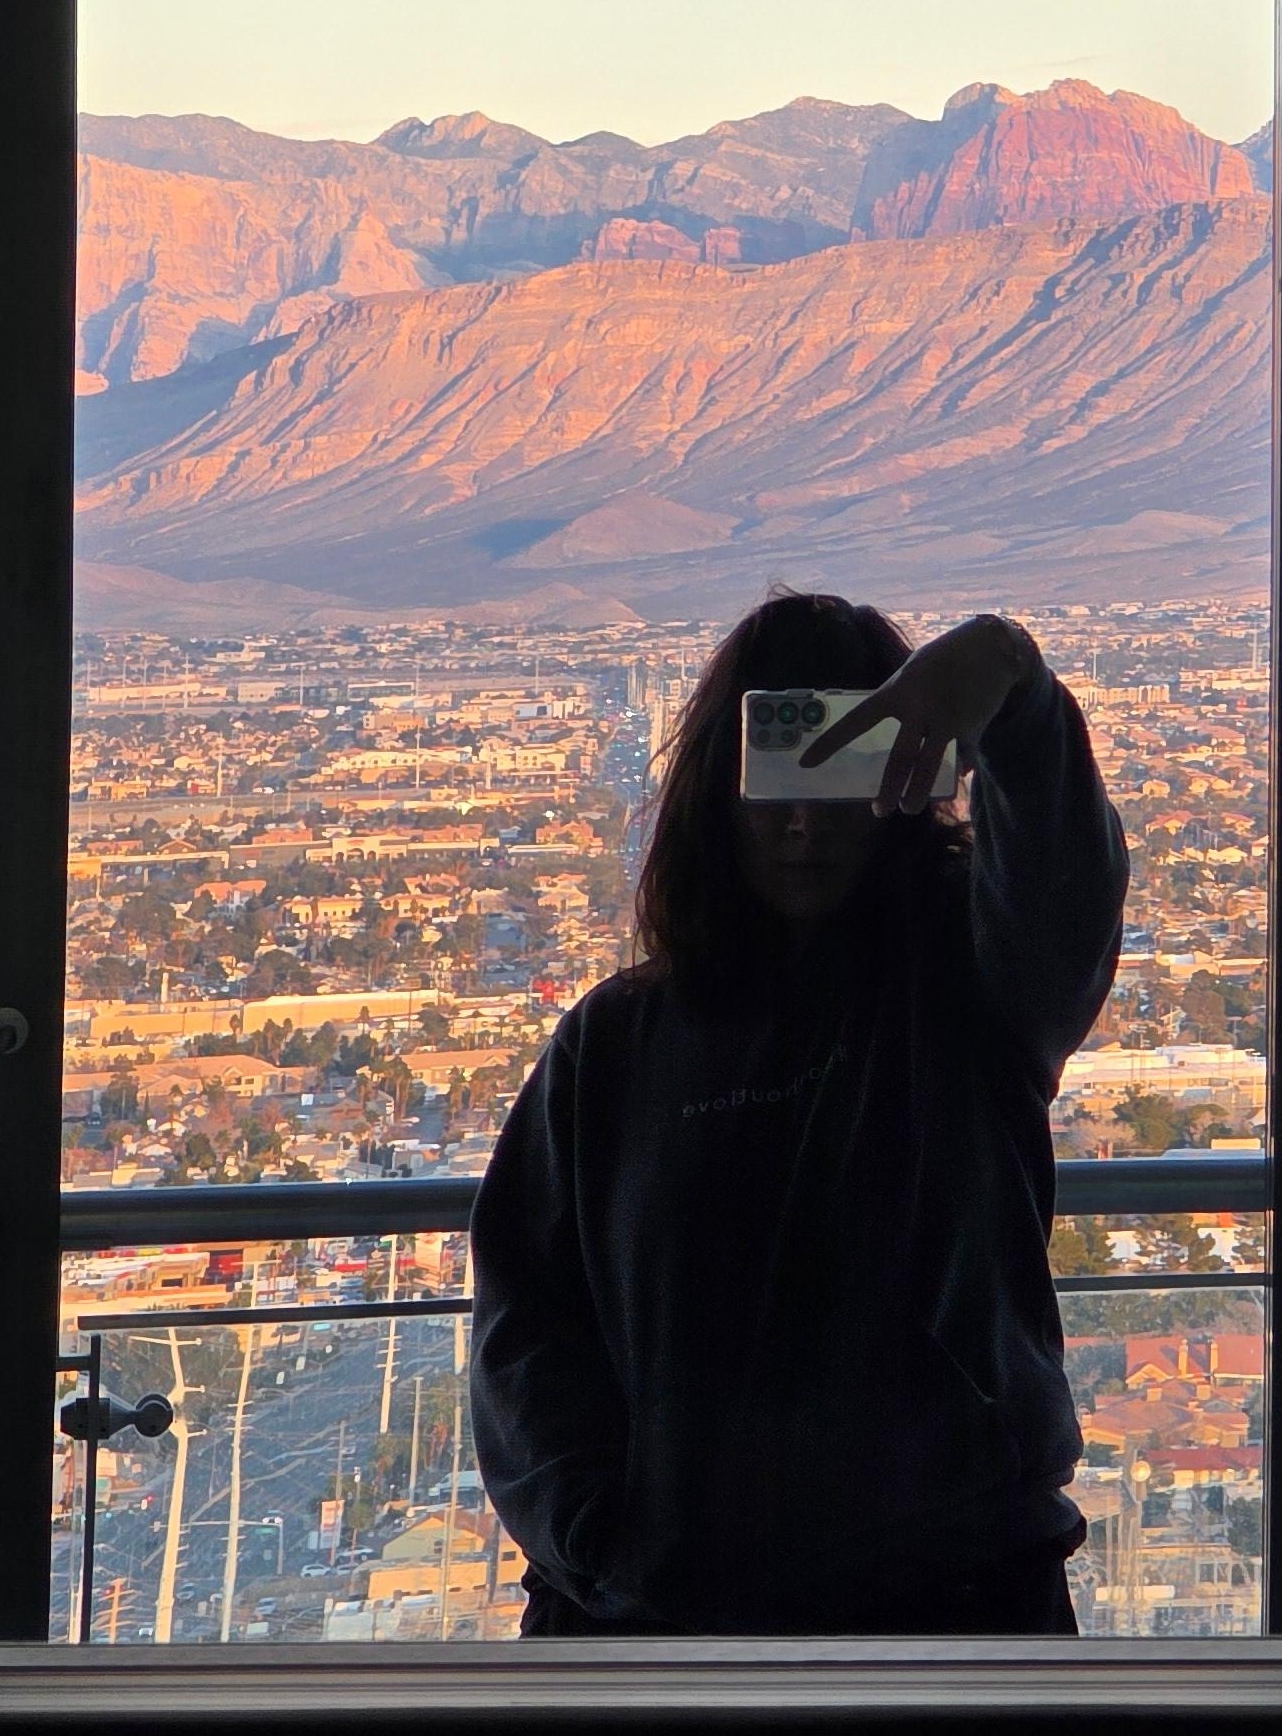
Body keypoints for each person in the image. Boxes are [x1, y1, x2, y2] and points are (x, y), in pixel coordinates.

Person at [466, 590, 1127, 1635]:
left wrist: (1014, 690)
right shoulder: (614, 1047)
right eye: (778, 777)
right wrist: (606, 1550)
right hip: (663, 1628)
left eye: (847, 773)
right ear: (718, 790)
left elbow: (1061, 893)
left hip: (949, 1603)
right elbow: (529, 1329)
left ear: (906, 780)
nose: (806, 821)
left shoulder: (973, 993)